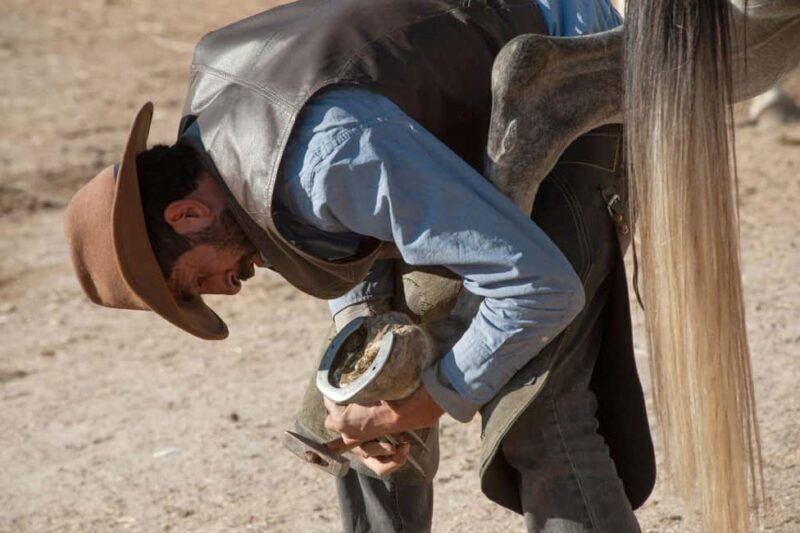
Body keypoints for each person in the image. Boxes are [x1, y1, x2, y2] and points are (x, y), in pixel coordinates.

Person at [64, 0, 654, 531]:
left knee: (536, 410)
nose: (227, 290)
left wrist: (435, 396)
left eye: (197, 281)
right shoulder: (216, 148)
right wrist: (374, 368)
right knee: (357, 389)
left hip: (563, 80)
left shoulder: (325, 159)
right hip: (458, 140)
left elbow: (538, 288)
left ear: (187, 214)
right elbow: (349, 221)